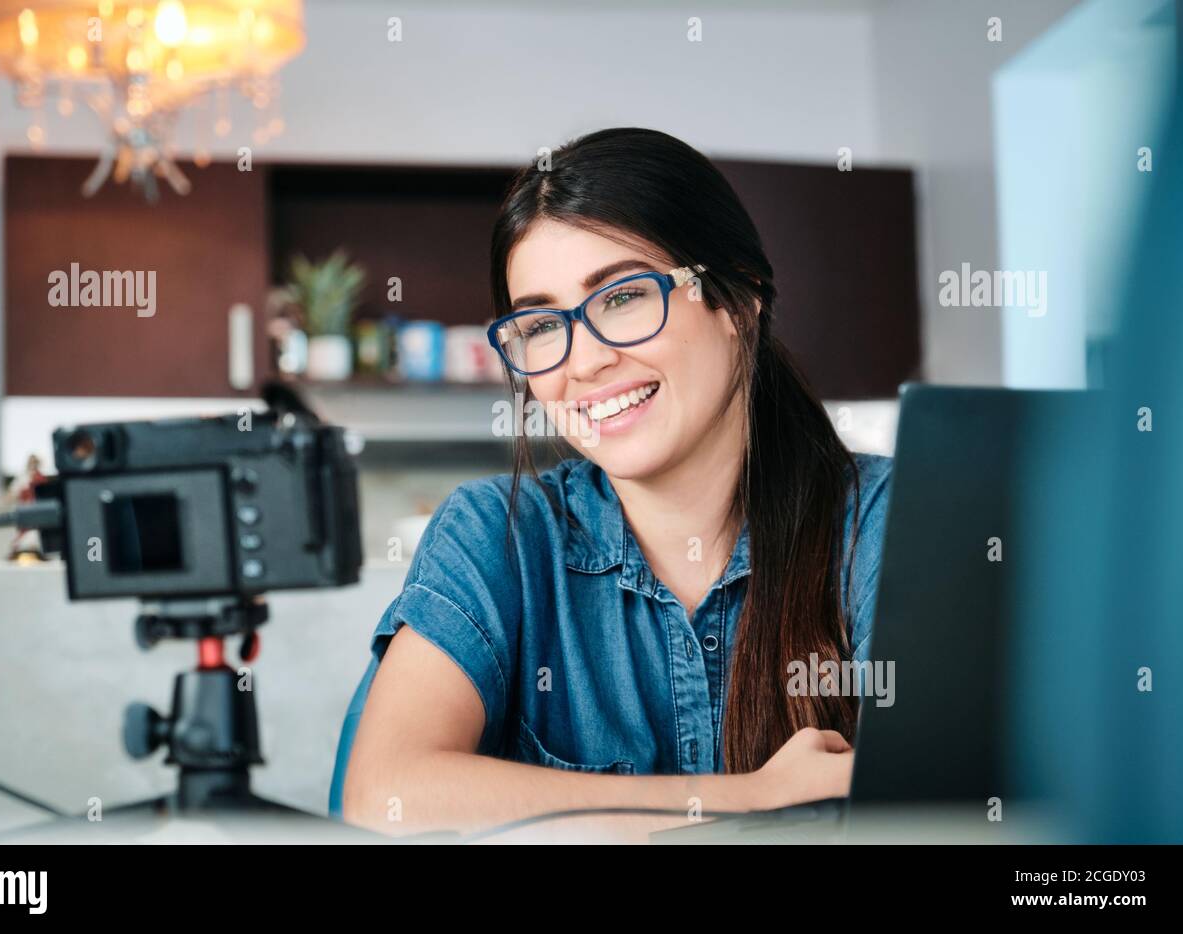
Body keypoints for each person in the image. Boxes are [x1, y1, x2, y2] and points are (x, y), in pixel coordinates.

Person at [340, 127, 894, 836]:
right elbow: (386, 793)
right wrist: (754, 796)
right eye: (541, 324)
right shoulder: (497, 535)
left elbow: (949, 811)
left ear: (738, 301)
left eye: (624, 296)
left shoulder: (881, 524)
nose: (585, 361)